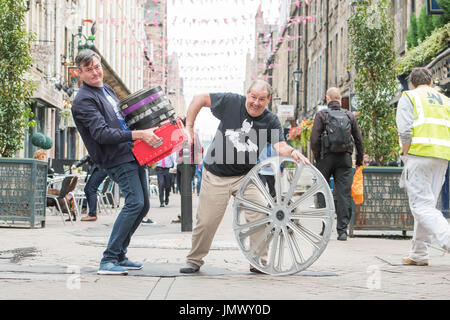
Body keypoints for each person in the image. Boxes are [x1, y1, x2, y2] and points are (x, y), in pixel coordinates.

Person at [179, 79, 309, 274]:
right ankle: (194, 259)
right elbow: (199, 99)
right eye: (253, 97)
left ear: (268, 100)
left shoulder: (270, 120)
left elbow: (279, 145)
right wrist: (189, 126)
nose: (256, 102)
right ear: (247, 94)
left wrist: (292, 152)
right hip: (216, 175)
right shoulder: (231, 102)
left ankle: (258, 260)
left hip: (246, 177)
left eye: (262, 99)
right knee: (206, 222)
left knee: (264, 214)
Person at [71, 49, 161, 275]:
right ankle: (108, 259)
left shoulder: (107, 90)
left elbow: (124, 120)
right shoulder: (83, 100)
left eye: (97, 66)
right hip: (115, 157)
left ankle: (119, 255)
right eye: (89, 69)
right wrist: (139, 135)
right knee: (134, 203)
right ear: (79, 73)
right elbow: (101, 134)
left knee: (143, 205)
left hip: (131, 152)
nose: (95, 72)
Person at [396, 67, 450, 266]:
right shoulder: (445, 100)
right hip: (442, 156)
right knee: (428, 205)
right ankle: (419, 253)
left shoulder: (409, 97)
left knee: (421, 206)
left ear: (411, 83)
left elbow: (405, 130)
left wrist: (405, 152)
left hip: (419, 154)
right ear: (431, 81)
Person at [310, 87, 364, 241]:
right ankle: (342, 231)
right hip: (345, 159)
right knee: (343, 194)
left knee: (323, 192)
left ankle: (325, 228)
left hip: (325, 158)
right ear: (340, 99)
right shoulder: (349, 115)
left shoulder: (322, 115)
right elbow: (359, 139)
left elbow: (314, 139)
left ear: (327, 99)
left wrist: (318, 158)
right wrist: (359, 160)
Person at [71, 155, 107, 221]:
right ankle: (91, 213)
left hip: (101, 168)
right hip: (100, 168)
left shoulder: (94, 145)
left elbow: (88, 156)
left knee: (91, 189)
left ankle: (92, 214)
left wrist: (76, 165)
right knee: (87, 189)